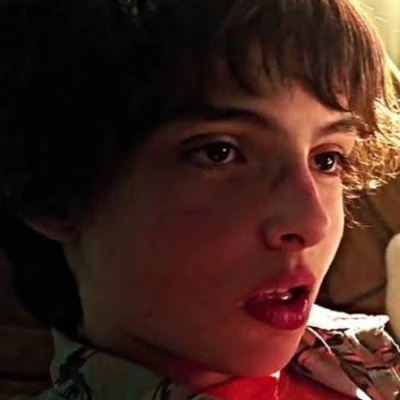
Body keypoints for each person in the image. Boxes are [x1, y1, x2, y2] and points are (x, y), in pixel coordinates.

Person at [0, 0, 399, 399]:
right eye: (219, 152)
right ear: (54, 193)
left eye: (327, 159)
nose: (313, 223)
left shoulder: (362, 355)